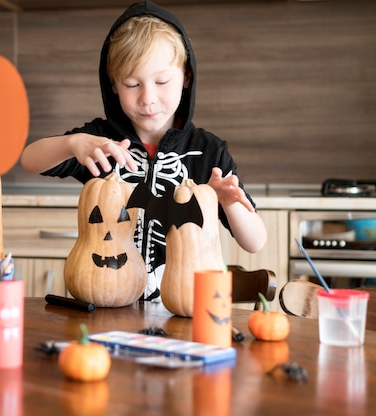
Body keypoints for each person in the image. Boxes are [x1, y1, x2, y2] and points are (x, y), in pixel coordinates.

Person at [21, 1, 267, 301]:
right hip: (108, 302)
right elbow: (30, 160)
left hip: (181, 311)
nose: (147, 99)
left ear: (186, 77)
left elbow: (255, 241)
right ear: (113, 85)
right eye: (132, 84)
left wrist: (228, 203)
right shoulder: (100, 141)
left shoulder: (208, 151)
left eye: (162, 81)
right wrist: (73, 143)